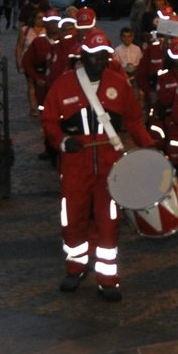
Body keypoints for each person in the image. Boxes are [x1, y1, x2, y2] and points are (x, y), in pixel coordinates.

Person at [41, 28, 155, 302]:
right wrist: (63, 141)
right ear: (83, 56)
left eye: (103, 56)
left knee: (109, 222)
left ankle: (108, 278)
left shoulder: (119, 84)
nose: (99, 62)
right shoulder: (64, 84)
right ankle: (75, 267)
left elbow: (133, 121)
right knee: (73, 220)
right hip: (74, 168)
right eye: (93, 56)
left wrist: (150, 149)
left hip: (109, 168)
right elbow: (49, 121)